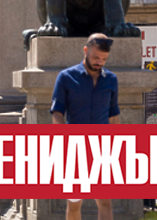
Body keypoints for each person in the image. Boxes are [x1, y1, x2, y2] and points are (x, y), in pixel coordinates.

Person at [50, 34, 120, 220]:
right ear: (85, 50)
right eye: (96, 57)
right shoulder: (66, 77)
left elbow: (114, 114)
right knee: (74, 203)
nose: (99, 62)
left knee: (105, 202)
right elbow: (57, 112)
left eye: (104, 59)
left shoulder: (111, 80)